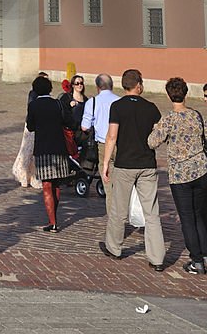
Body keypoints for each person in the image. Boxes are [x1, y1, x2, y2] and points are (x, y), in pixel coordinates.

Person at [102, 68, 165, 271]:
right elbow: (159, 134)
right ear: (138, 85)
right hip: (147, 164)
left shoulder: (117, 106)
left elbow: (112, 136)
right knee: (152, 213)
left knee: (119, 210)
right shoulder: (151, 107)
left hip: (124, 164)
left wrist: (105, 163)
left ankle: (115, 248)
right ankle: (157, 258)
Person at [148, 77, 207, 274]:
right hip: (200, 170)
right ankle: (205, 254)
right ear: (186, 93)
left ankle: (196, 260)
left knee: (187, 218)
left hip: (180, 174)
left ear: (169, 95)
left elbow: (151, 142)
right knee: (199, 215)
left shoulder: (168, 120)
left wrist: (157, 129)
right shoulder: (196, 115)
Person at [26, 75, 70, 232]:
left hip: (43, 149)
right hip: (59, 148)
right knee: (56, 184)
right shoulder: (57, 104)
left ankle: (52, 222)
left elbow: (30, 127)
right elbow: (68, 122)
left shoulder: (34, 106)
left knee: (46, 185)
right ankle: (54, 217)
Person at [80, 74, 119, 207]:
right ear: (111, 85)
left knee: (108, 184)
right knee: (120, 182)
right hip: (120, 144)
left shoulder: (93, 102)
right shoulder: (119, 101)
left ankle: (114, 220)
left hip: (103, 145)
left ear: (98, 87)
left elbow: (85, 126)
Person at [59, 75, 88, 158]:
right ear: (72, 85)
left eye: (81, 83)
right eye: (77, 83)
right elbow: (63, 114)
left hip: (83, 132)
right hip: (70, 133)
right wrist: (69, 105)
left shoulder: (86, 100)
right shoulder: (66, 98)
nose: (80, 85)